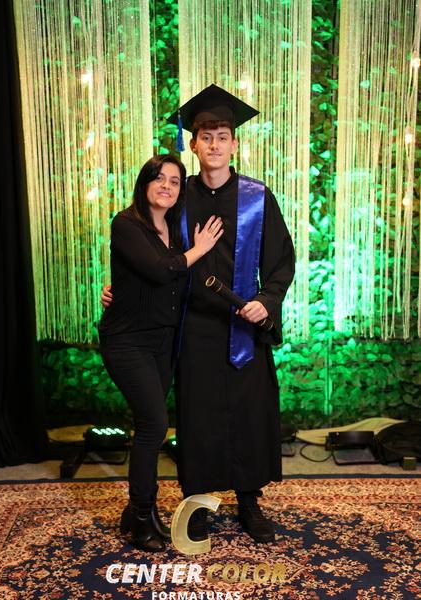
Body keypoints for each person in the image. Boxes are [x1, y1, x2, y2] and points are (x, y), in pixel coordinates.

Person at [102, 84, 295, 544]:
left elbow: (281, 261)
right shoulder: (177, 195)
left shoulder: (257, 196)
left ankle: (249, 502)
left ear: (234, 144)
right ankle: (199, 503)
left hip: (241, 322)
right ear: (193, 145)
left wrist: (266, 302)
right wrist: (121, 290)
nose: (214, 144)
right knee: (199, 417)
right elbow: (147, 248)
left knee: (248, 413)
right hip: (190, 326)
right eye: (205, 137)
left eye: (222, 136)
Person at [98, 153, 223, 552]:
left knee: (149, 425)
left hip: (163, 341)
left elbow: (166, 284)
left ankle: (137, 510)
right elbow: (159, 270)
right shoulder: (126, 223)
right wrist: (199, 249)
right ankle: (140, 516)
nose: (167, 186)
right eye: (159, 178)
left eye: (174, 181)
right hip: (127, 341)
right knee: (154, 424)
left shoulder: (173, 228)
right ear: (145, 183)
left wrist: (117, 289)